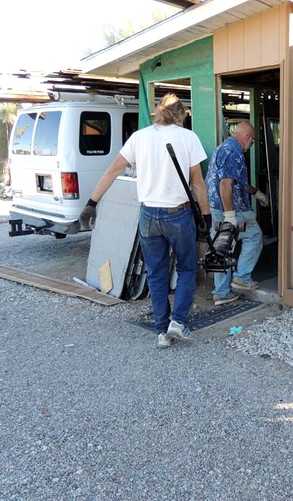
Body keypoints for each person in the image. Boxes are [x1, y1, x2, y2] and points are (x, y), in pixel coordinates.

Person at [78, 93, 210, 349]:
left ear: (158, 112)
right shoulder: (188, 138)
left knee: (157, 273)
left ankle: (161, 331)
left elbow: (112, 170)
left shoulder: (139, 138)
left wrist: (91, 204)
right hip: (178, 213)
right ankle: (178, 322)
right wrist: (206, 216)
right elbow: (197, 183)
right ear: (181, 114)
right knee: (187, 268)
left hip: (149, 214)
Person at [205, 121, 268, 306]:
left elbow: (236, 182)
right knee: (254, 236)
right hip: (232, 209)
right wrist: (230, 214)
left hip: (217, 208)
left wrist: (256, 192)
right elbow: (225, 184)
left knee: (221, 247)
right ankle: (242, 277)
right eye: (253, 141)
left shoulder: (224, 148)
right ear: (247, 138)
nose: (252, 145)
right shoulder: (234, 152)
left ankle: (221, 293)